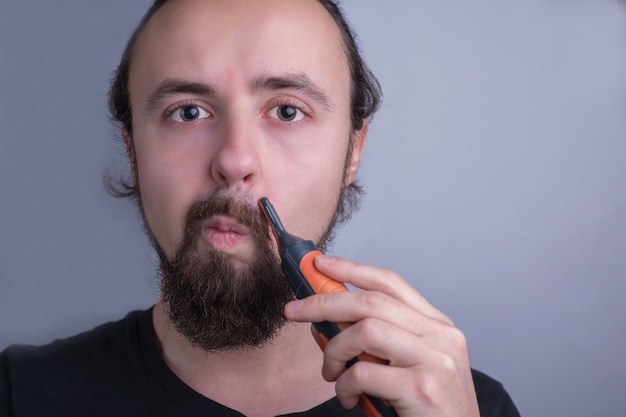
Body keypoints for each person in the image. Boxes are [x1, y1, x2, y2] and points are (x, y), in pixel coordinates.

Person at [0, 1, 520, 416]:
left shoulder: (455, 404)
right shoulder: (20, 395)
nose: (234, 160)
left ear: (353, 151)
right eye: (188, 112)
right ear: (133, 149)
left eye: (288, 111)